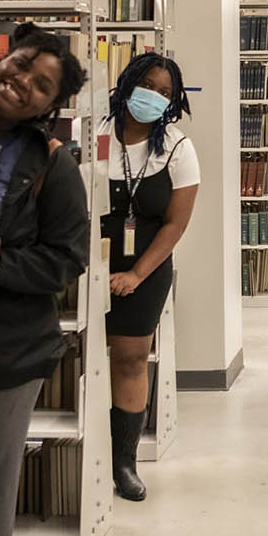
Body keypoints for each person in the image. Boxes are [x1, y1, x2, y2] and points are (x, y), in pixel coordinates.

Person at [0, 23, 90, 536]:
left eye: (41, 85)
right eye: (19, 65)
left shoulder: (52, 164)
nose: (22, 83)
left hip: (8, 349)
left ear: (50, 106)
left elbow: (68, 262)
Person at [100, 52, 200, 501]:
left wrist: (136, 275)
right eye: (149, 86)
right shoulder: (97, 134)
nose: (155, 97)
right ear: (128, 83)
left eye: (165, 92)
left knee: (130, 359)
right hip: (89, 261)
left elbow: (176, 224)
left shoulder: (177, 147)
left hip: (146, 266)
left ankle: (124, 464)